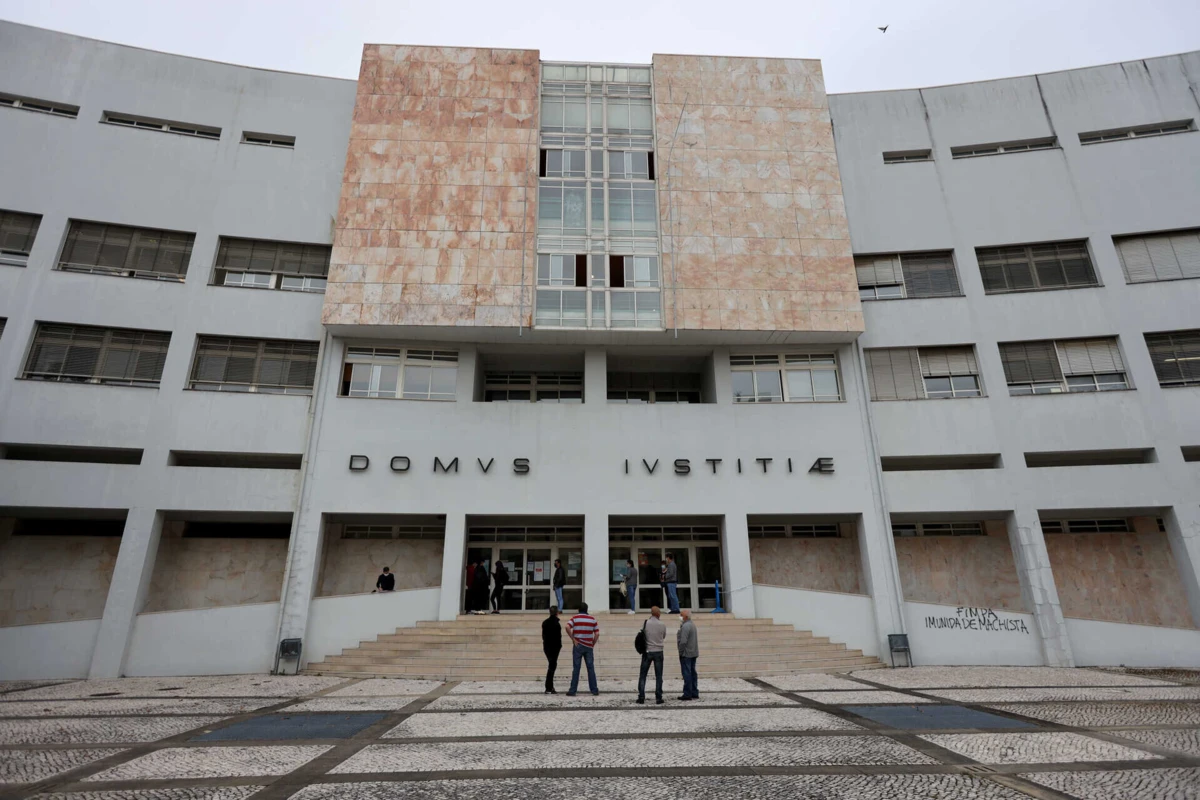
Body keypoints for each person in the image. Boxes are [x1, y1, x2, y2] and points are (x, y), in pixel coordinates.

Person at [565, 602, 600, 696]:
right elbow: (597, 633)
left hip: (578, 645)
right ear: (587, 609)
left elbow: (567, 626)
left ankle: (573, 690)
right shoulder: (592, 619)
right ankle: (594, 690)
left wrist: (573, 638)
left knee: (576, 668)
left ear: (578, 609)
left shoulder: (575, 618)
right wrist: (593, 643)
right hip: (588, 646)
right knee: (590, 668)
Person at [637, 605, 667, 705]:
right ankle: (658, 697)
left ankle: (641, 696)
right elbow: (663, 636)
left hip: (648, 651)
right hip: (659, 651)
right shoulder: (662, 624)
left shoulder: (646, 623)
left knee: (643, 675)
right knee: (659, 675)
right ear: (658, 613)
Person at [677, 609, 699, 701]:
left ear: (685, 617)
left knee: (687, 673)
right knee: (692, 673)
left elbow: (683, 641)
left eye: (681, 615)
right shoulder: (692, 625)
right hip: (693, 652)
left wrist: (681, 652)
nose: (680, 616)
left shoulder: (686, 626)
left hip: (686, 653)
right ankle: (694, 692)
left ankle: (687, 693)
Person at [542, 606, 562, 694]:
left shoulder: (545, 623)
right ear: (557, 613)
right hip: (554, 647)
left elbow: (544, 636)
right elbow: (558, 637)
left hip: (547, 647)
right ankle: (548, 687)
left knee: (552, 666)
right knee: (552, 666)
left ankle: (550, 687)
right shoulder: (557, 624)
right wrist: (559, 646)